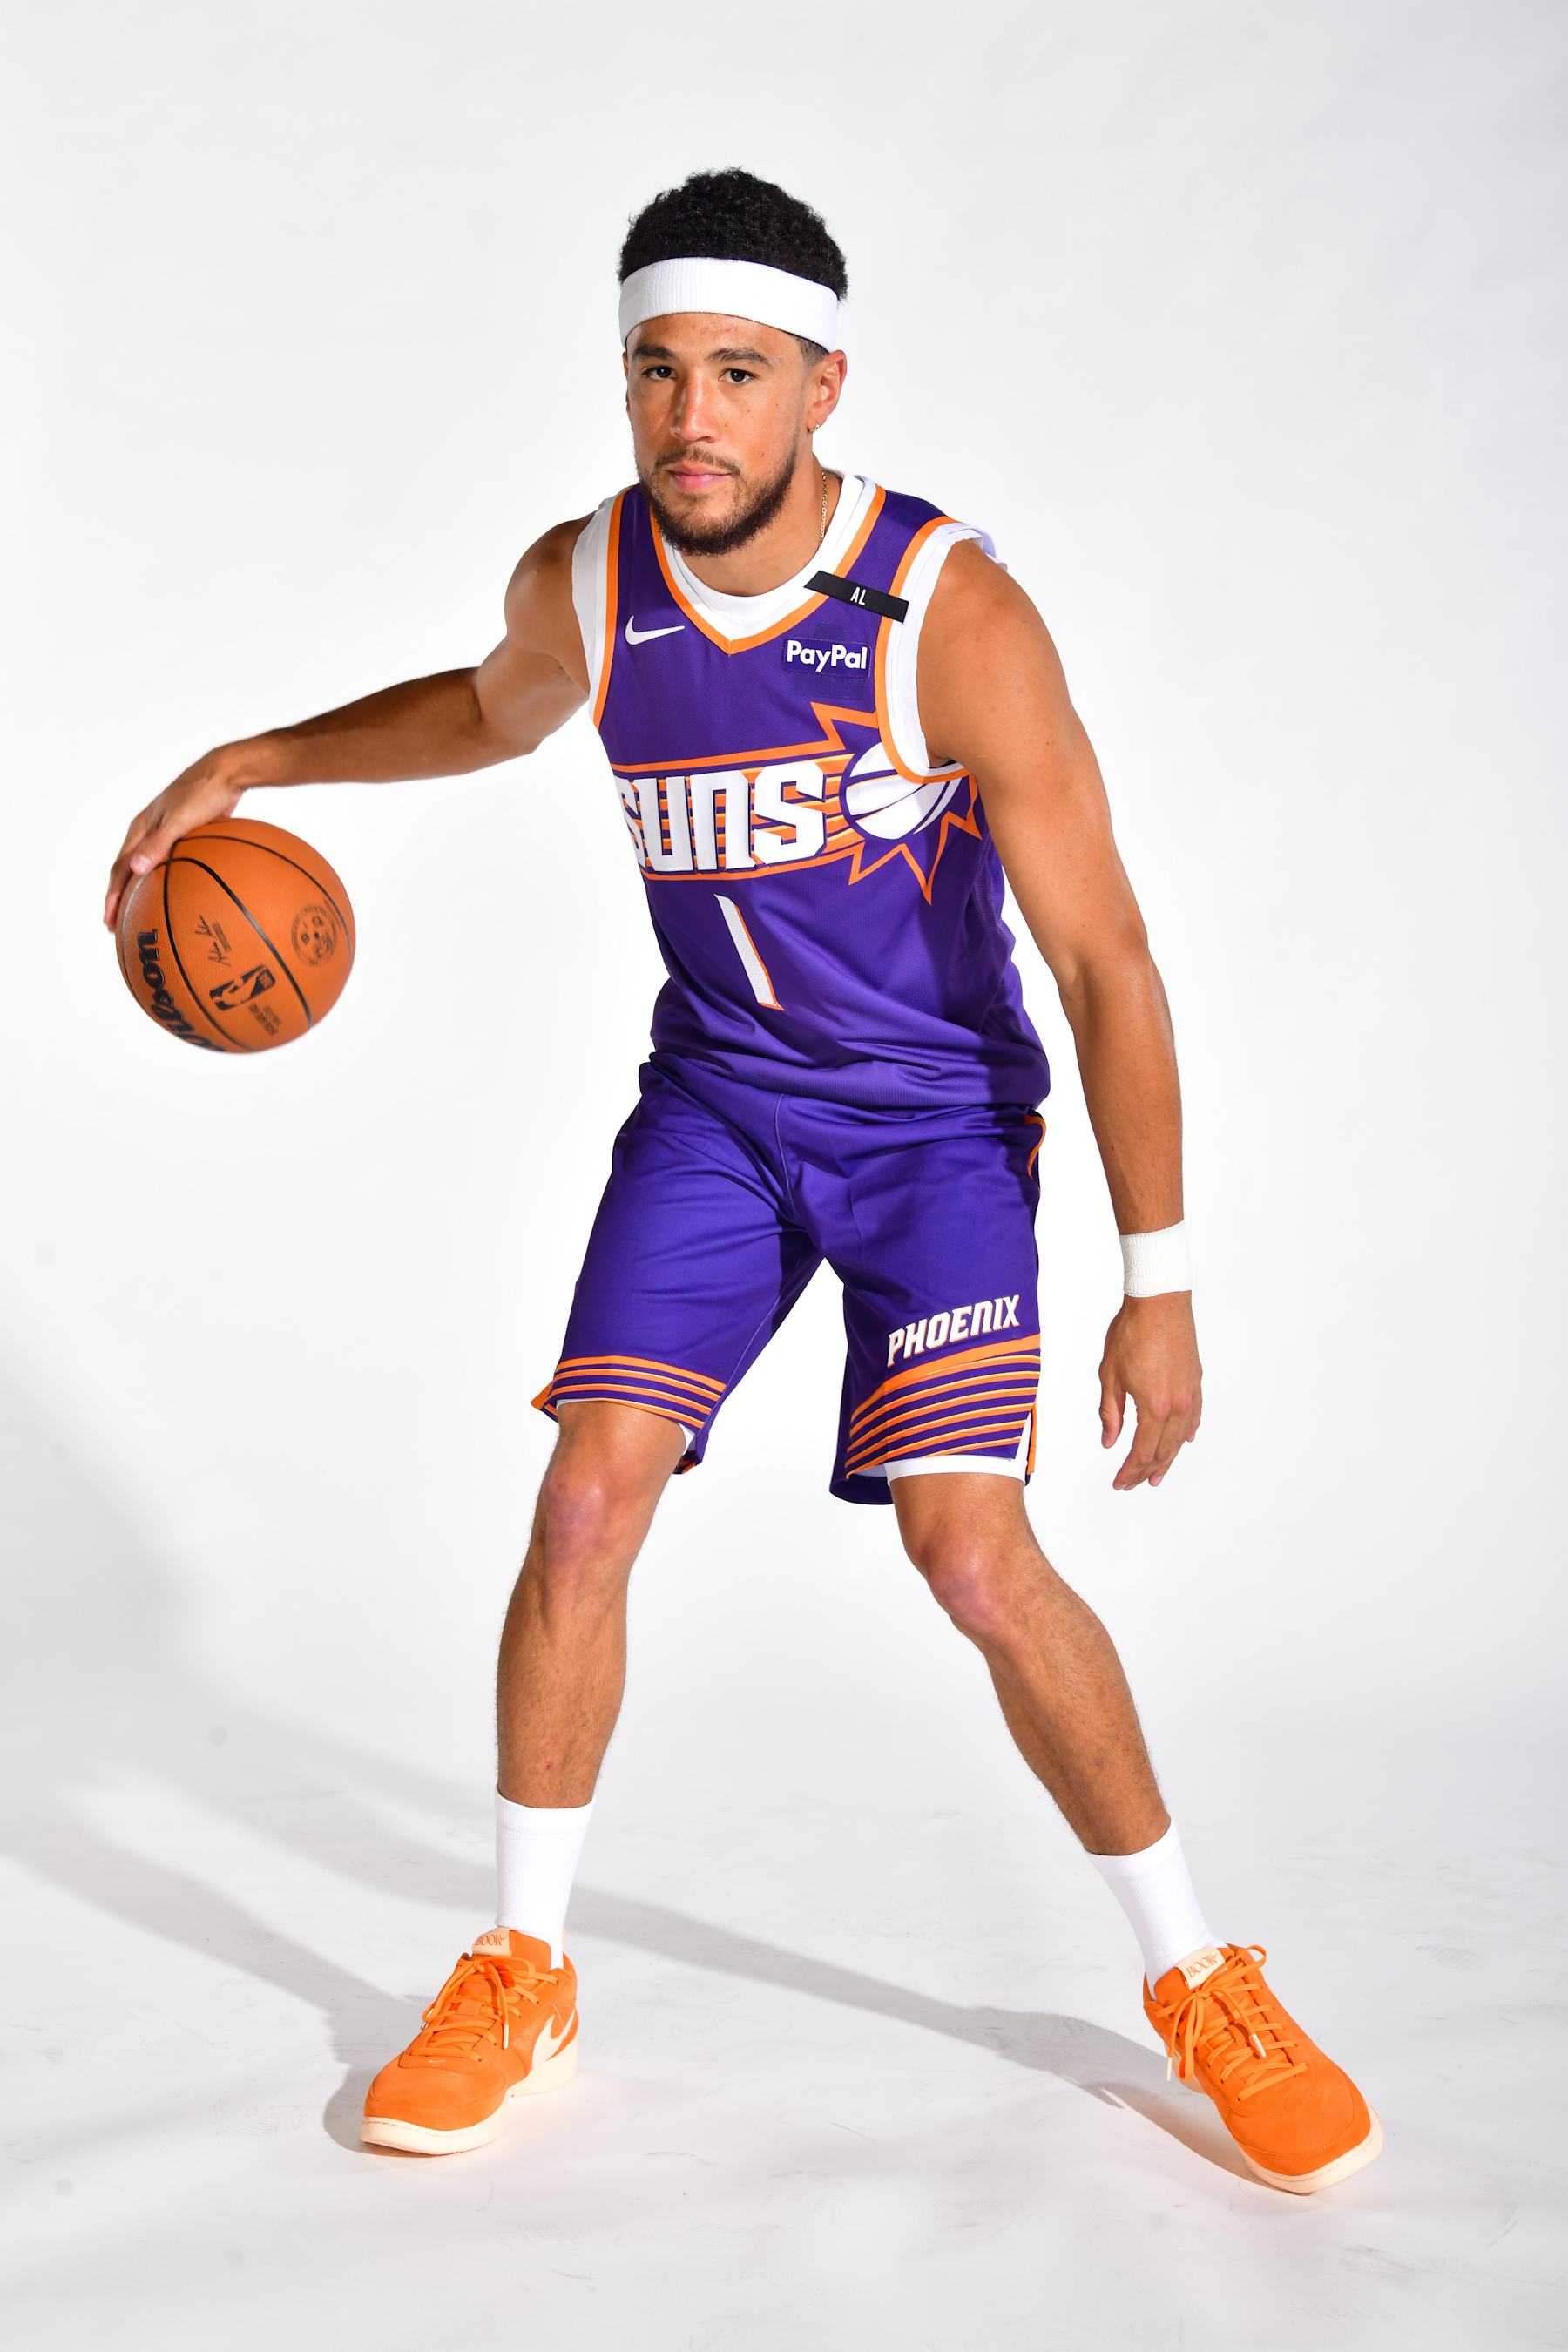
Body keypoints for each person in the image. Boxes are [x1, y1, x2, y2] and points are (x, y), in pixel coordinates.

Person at [103, 167, 1381, 2192]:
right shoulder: (588, 582)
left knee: (969, 1551)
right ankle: (520, 1961)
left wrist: (1167, 1274)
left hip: (931, 1127)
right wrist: (256, 758)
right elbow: (486, 711)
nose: (692, 414)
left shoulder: (946, 609)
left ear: (820, 386)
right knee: (589, 1492)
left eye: (738, 374)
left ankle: (1200, 1975)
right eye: (657, 373)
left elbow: (1108, 957)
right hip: (714, 1110)